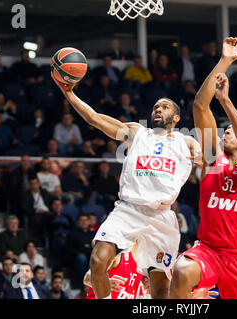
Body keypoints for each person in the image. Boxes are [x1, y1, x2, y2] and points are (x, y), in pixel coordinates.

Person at [52, 51, 199, 299]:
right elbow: (95, 119)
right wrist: (69, 94)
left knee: (160, 290)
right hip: (128, 210)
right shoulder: (136, 133)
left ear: (176, 117)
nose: (158, 110)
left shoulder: (187, 143)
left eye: (164, 107)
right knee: (98, 260)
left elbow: (217, 159)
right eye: (155, 107)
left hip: (162, 217)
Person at [170, 37, 237, 299]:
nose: (227, 131)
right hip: (208, 250)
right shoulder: (214, 159)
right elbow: (200, 106)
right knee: (180, 271)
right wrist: (224, 62)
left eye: (233, 130)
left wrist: (226, 102)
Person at [21, 177, 54, 247]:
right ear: (29, 185)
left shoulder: (44, 192)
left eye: (36, 183)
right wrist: (36, 210)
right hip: (35, 214)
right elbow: (24, 208)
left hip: (47, 213)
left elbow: (52, 202)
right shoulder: (26, 194)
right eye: (32, 184)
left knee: (54, 219)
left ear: (39, 184)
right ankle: (39, 244)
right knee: (37, 219)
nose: (34, 185)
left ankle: (52, 244)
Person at [65, 214, 96, 286]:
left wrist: (84, 247)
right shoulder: (72, 234)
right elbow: (70, 249)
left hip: (91, 256)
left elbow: (95, 247)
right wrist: (85, 248)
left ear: (89, 222)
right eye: (81, 220)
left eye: (86, 220)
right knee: (81, 257)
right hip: (76, 258)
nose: (84, 222)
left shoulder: (93, 234)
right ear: (77, 222)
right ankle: (83, 282)